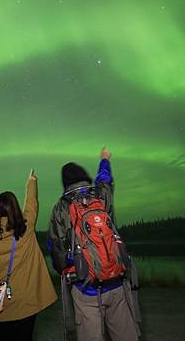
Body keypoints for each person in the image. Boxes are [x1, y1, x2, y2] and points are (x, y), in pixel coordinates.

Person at [48, 146, 141, 341]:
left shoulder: (60, 208)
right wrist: (104, 158)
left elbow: (58, 255)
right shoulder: (101, 194)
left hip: (86, 289)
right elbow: (104, 177)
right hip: (116, 283)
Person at [0, 169, 57, 341]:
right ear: (15, 208)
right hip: (28, 298)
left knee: (5, 336)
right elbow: (32, 203)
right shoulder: (26, 227)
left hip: (3, 299)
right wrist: (31, 182)